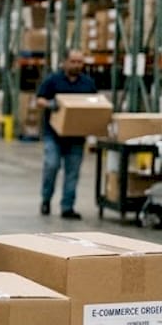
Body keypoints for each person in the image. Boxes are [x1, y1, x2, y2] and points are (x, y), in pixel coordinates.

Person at [35, 50, 95, 219]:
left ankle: (67, 207)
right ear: (65, 62)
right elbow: (39, 99)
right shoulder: (53, 80)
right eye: (73, 61)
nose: (76, 65)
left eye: (79, 62)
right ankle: (46, 199)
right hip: (53, 134)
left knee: (72, 173)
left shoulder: (88, 83)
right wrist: (50, 104)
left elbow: (95, 104)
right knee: (51, 165)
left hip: (76, 136)